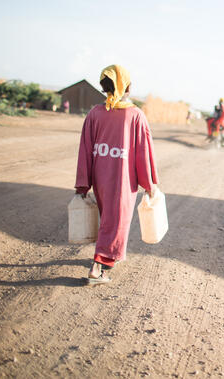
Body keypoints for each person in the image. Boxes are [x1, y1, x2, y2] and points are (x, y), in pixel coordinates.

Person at [75, 65, 159, 284]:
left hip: (100, 179)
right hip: (123, 180)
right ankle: (98, 267)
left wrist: (83, 185)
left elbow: (85, 149)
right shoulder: (135, 115)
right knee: (117, 221)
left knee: (110, 220)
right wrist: (149, 184)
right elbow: (143, 152)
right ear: (126, 86)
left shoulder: (95, 113)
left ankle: (114, 255)